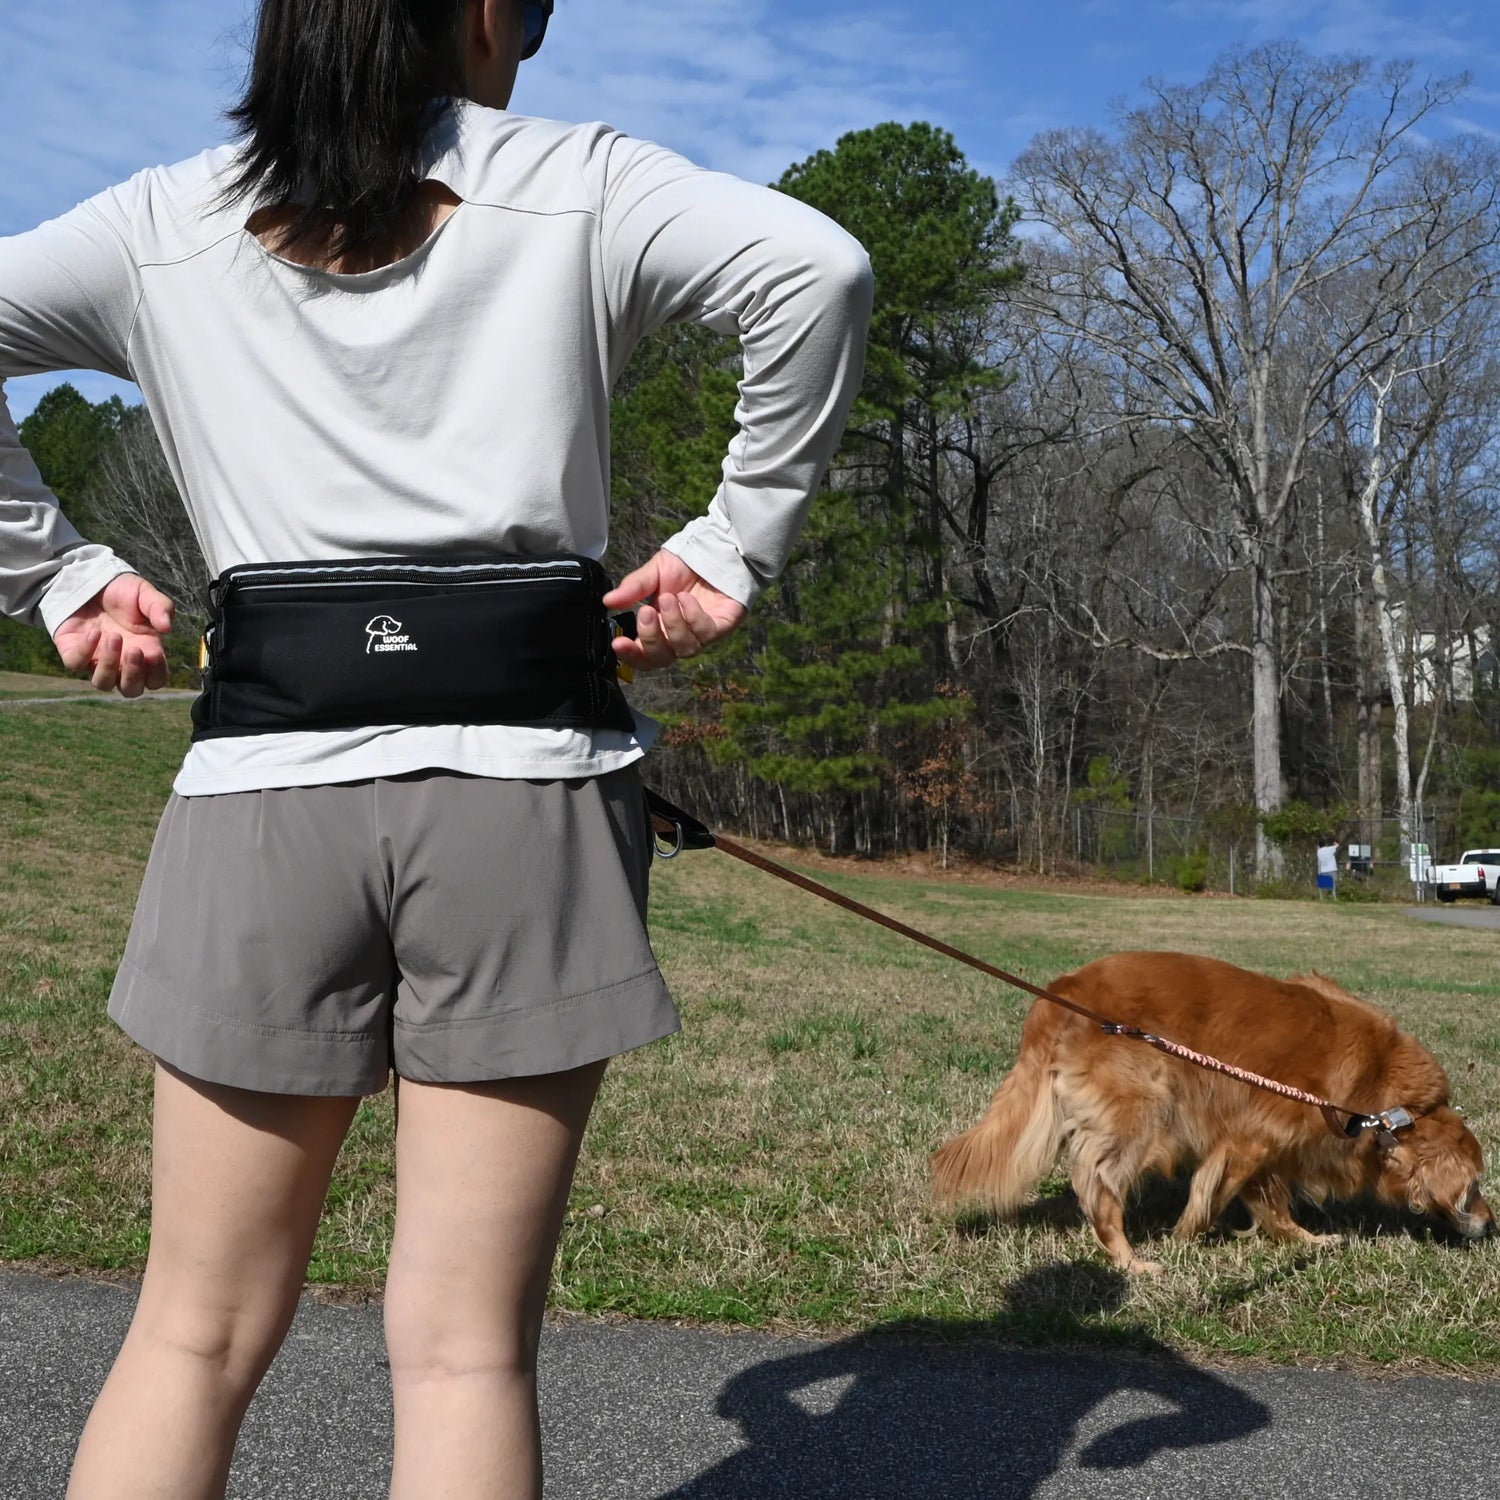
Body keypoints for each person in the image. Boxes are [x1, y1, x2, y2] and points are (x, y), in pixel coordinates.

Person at [0, 1, 873, 1494]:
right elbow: (821, 269)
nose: (530, 38)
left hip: (264, 792)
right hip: (524, 797)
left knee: (191, 1333)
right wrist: (736, 545)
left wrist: (59, 575)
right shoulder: (581, 182)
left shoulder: (161, 224)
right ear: (476, 8)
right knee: (467, 1352)